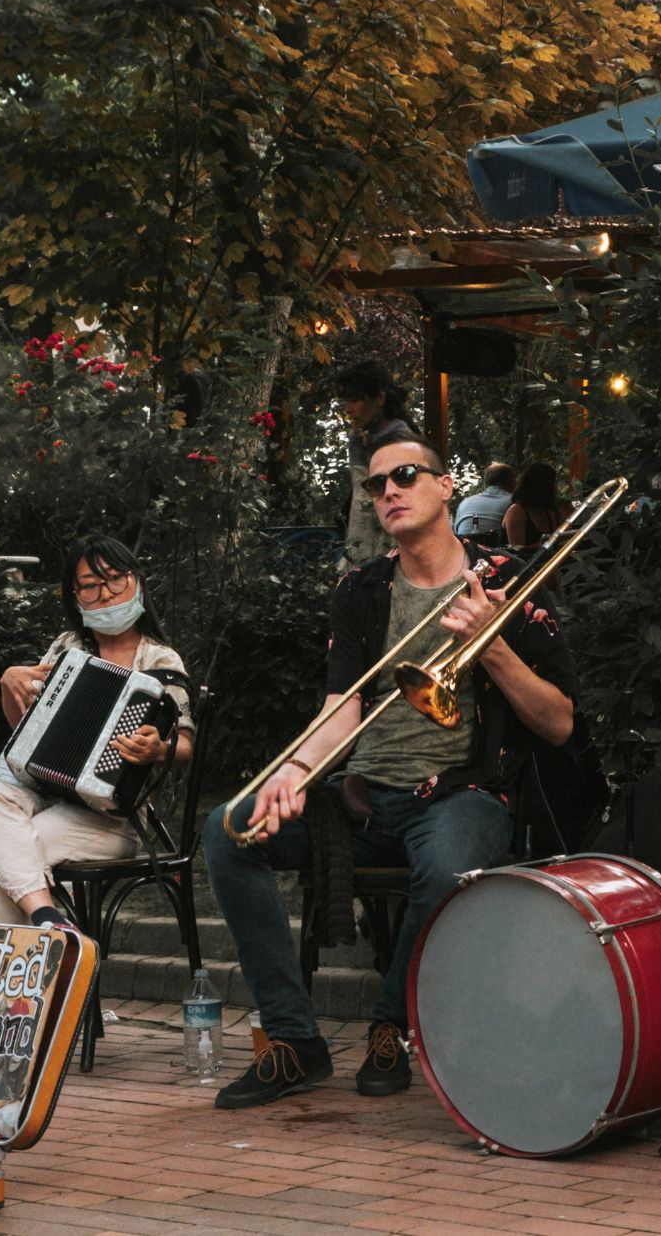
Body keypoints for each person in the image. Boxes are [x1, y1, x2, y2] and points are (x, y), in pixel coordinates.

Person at [203, 435, 577, 1109]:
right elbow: (342, 709)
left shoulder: (507, 579)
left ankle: (392, 1025)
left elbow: (559, 723)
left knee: (445, 865)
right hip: (364, 802)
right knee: (228, 829)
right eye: (377, 485)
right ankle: (295, 1041)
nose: (390, 492)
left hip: (463, 795)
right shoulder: (362, 589)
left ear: (445, 485)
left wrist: (490, 646)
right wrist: (292, 771)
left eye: (404, 475)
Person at [0, 536, 193, 927]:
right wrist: (8, 684)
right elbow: (29, 737)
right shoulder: (67, 649)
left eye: (115, 579)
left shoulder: (160, 660)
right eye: (90, 584)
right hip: (47, 797)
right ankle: (49, 922)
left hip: (113, 819)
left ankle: (18, 977)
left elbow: (185, 745)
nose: (104, 594)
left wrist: (159, 748)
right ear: (75, 594)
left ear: (137, 581)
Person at [334, 360, 421, 575]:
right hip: (363, 544)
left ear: (380, 398)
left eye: (355, 400)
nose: (349, 409)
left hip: (393, 545)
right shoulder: (359, 438)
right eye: (346, 402)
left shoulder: (402, 438)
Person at [502, 461, 571, 549]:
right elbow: (517, 549)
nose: (556, 488)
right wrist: (546, 545)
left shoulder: (548, 510)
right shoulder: (517, 511)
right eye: (553, 483)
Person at [451, 462, 516, 540]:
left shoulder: (464, 503)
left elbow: (456, 534)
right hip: (496, 550)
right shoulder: (514, 503)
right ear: (513, 483)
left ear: (485, 484)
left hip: (464, 549)